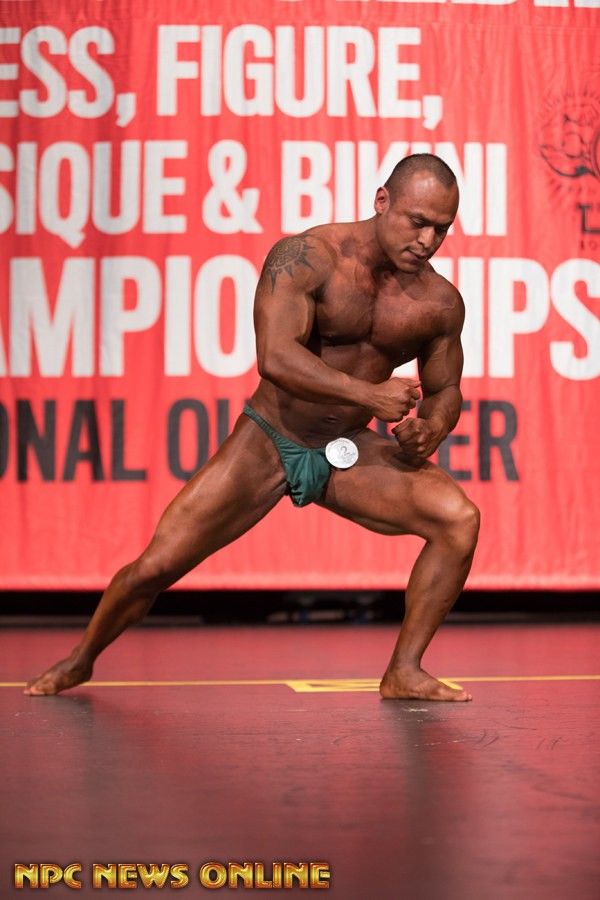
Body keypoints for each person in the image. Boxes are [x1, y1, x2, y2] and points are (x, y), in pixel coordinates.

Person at [25, 153, 479, 702]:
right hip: (269, 437)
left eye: (441, 229)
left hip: (344, 447)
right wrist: (368, 395)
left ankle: (404, 671)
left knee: (458, 520)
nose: (428, 240)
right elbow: (276, 356)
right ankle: (81, 659)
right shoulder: (308, 257)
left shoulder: (439, 303)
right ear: (382, 200)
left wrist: (433, 427)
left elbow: (446, 389)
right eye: (418, 221)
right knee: (155, 568)